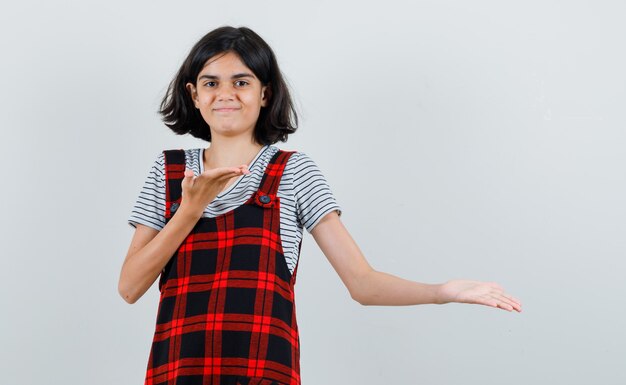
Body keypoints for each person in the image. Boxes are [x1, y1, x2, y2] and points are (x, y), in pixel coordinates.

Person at [118, 26, 522, 385]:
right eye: (210, 83)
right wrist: (189, 210)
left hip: (263, 373)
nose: (225, 94)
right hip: (177, 371)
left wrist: (442, 291)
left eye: (241, 82)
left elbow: (361, 283)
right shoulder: (169, 173)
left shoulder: (293, 173)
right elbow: (129, 286)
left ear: (265, 93)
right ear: (193, 94)